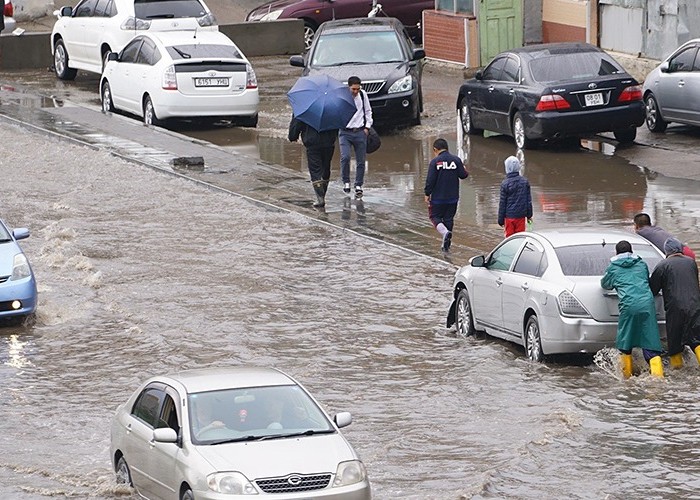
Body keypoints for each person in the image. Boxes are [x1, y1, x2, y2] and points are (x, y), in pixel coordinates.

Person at [601, 240, 664, 378]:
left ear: (616, 253)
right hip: (647, 304)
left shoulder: (613, 267)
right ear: (632, 251)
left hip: (628, 306)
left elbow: (605, 284)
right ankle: (658, 381)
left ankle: (627, 381)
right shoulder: (642, 264)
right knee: (650, 341)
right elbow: (646, 280)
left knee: (625, 342)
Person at [649, 237, 700, 368]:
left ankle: (677, 372)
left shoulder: (662, 265)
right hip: (695, 306)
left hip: (675, 308)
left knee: (675, 343)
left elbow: (653, 289)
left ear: (667, 251)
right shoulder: (691, 263)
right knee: (696, 339)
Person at [424, 138, 468, 252]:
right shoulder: (456, 160)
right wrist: (465, 169)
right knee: (449, 219)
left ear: (435, 149)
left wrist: (427, 193)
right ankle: (447, 245)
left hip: (438, 198)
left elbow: (430, 180)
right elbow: (463, 175)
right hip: (453, 198)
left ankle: (444, 233)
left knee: (434, 217)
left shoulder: (435, 162)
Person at [288, 114, 338, 208]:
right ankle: (322, 195)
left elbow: (297, 122)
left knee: (315, 171)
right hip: (328, 142)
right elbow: (338, 123)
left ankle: (320, 198)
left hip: (312, 141)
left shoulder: (303, 106)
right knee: (325, 168)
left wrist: (292, 136)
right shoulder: (331, 105)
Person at [339, 76, 373, 199]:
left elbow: (368, 111)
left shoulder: (363, 95)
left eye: (358, 89)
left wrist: (367, 127)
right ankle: (346, 181)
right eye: (353, 89)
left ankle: (358, 185)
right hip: (345, 132)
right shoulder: (342, 96)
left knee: (361, 160)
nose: (356, 92)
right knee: (345, 157)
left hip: (360, 131)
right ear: (349, 87)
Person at [498, 156, 533, 238]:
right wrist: (529, 215)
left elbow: (502, 204)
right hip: (521, 216)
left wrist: (500, 220)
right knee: (520, 237)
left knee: (509, 238)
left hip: (509, 217)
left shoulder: (505, 184)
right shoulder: (525, 182)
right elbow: (528, 201)